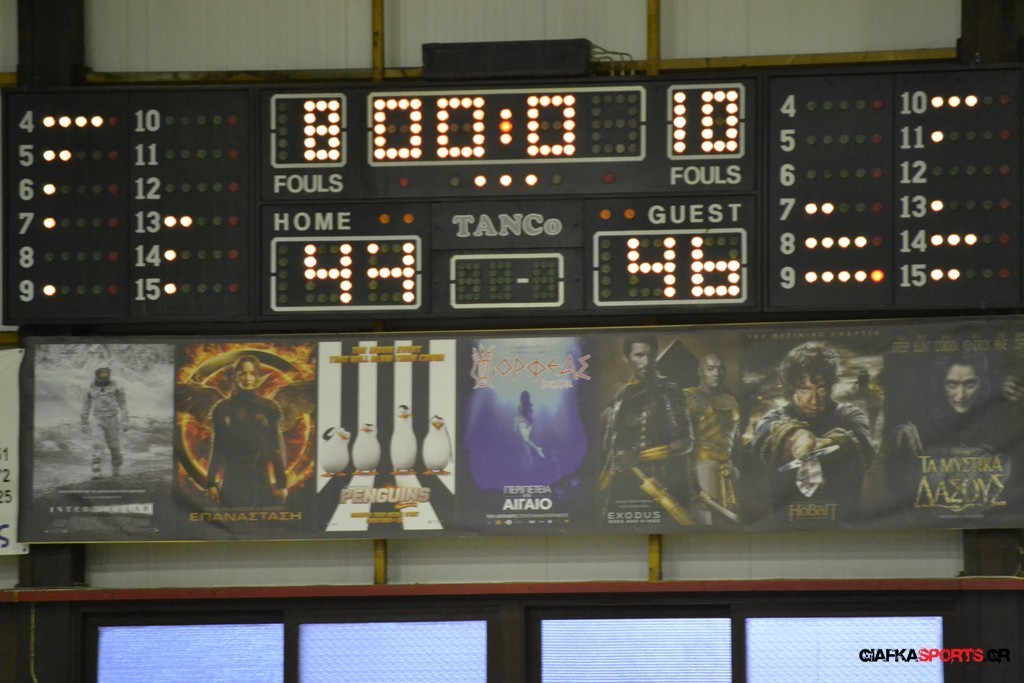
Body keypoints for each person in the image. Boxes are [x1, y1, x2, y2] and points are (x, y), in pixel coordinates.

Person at [752, 341, 874, 520]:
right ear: (791, 388)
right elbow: (764, 436)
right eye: (805, 389)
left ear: (831, 386)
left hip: (843, 524)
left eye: (821, 388)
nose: (814, 400)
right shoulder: (774, 418)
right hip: (788, 525)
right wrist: (793, 436)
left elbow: (864, 445)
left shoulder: (849, 415)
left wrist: (826, 444)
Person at [599, 335, 696, 525]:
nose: (646, 361)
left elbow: (685, 442)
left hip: (657, 485)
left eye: (651, 355)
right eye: (639, 355)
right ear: (627, 358)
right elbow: (612, 448)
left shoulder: (667, 390)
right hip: (622, 488)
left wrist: (638, 456)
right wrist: (602, 487)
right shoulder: (621, 396)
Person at [207, 355, 289, 507]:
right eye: (242, 373)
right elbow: (217, 448)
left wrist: (281, 484)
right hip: (232, 480)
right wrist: (211, 482)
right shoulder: (223, 409)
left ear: (257, 376)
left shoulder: (269, 408)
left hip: (260, 479)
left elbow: (276, 448)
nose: (247, 378)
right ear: (236, 376)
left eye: (252, 373)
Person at [684, 352, 741, 524]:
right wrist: (693, 486)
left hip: (729, 469)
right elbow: (684, 444)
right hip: (703, 468)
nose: (716, 373)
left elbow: (736, 441)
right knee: (707, 521)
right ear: (700, 371)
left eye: (720, 369)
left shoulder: (731, 401)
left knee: (731, 522)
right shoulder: (688, 397)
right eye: (710, 368)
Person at [80, 366, 129, 479]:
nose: (104, 377)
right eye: (102, 374)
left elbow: (123, 404)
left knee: (114, 445)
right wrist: (83, 422)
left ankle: (116, 469)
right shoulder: (90, 388)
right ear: (97, 375)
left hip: (112, 418)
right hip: (98, 419)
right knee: (97, 444)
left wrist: (125, 420)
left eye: (106, 374)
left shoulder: (115, 386)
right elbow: (85, 406)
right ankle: (96, 471)